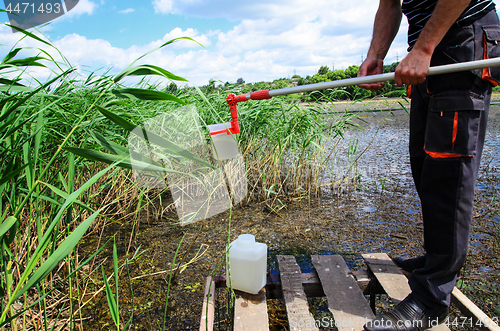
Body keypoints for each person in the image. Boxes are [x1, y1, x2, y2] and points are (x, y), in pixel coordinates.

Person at [358, 0, 500, 330]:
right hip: (425, 46)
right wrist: (376, 55)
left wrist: (425, 46)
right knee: (424, 164)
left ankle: (431, 299)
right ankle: (436, 259)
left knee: (447, 173)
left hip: (459, 37)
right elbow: (390, 3)